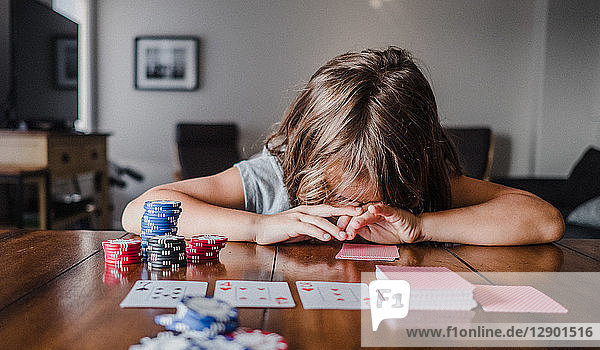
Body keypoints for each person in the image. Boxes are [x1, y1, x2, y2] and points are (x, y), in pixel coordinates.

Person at [122, 47, 564, 246]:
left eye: (369, 199)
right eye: (329, 193)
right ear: (305, 156)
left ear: (408, 173)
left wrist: (423, 227)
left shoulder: (423, 184)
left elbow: (544, 222)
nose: (345, 213)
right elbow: (137, 211)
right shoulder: (273, 175)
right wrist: (258, 227)